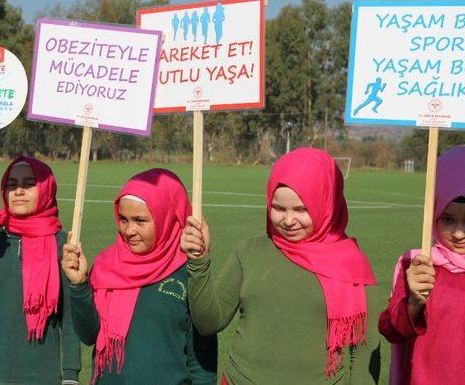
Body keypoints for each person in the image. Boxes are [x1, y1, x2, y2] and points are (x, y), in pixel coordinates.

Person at [182, 148, 381, 384]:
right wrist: (199, 261)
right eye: (278, 208)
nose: (288, 221)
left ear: (327, 204)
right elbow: (209, 322)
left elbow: (364, 349)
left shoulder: (351, 264)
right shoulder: (247, 252)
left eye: (301, 209)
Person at [61, 168, 217, 384]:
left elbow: (202, 361)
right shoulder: (106, 265)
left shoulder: (189, 273)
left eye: (140, 220)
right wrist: (78, 285)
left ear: (167, 217)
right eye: (123, 219)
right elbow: (89, 336)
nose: (129, 230)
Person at [0, 156, 80, 385]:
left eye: (29, 184)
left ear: (46, 189)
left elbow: (70, 320)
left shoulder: (62, 245)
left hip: (40, 377)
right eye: (11, 184)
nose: (18, 191)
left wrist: (70, 375)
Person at [379, 145, 465, 385]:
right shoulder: (418, 265)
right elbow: (391, 331)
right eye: (448, 219)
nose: (458, 233)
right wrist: (413, 303)